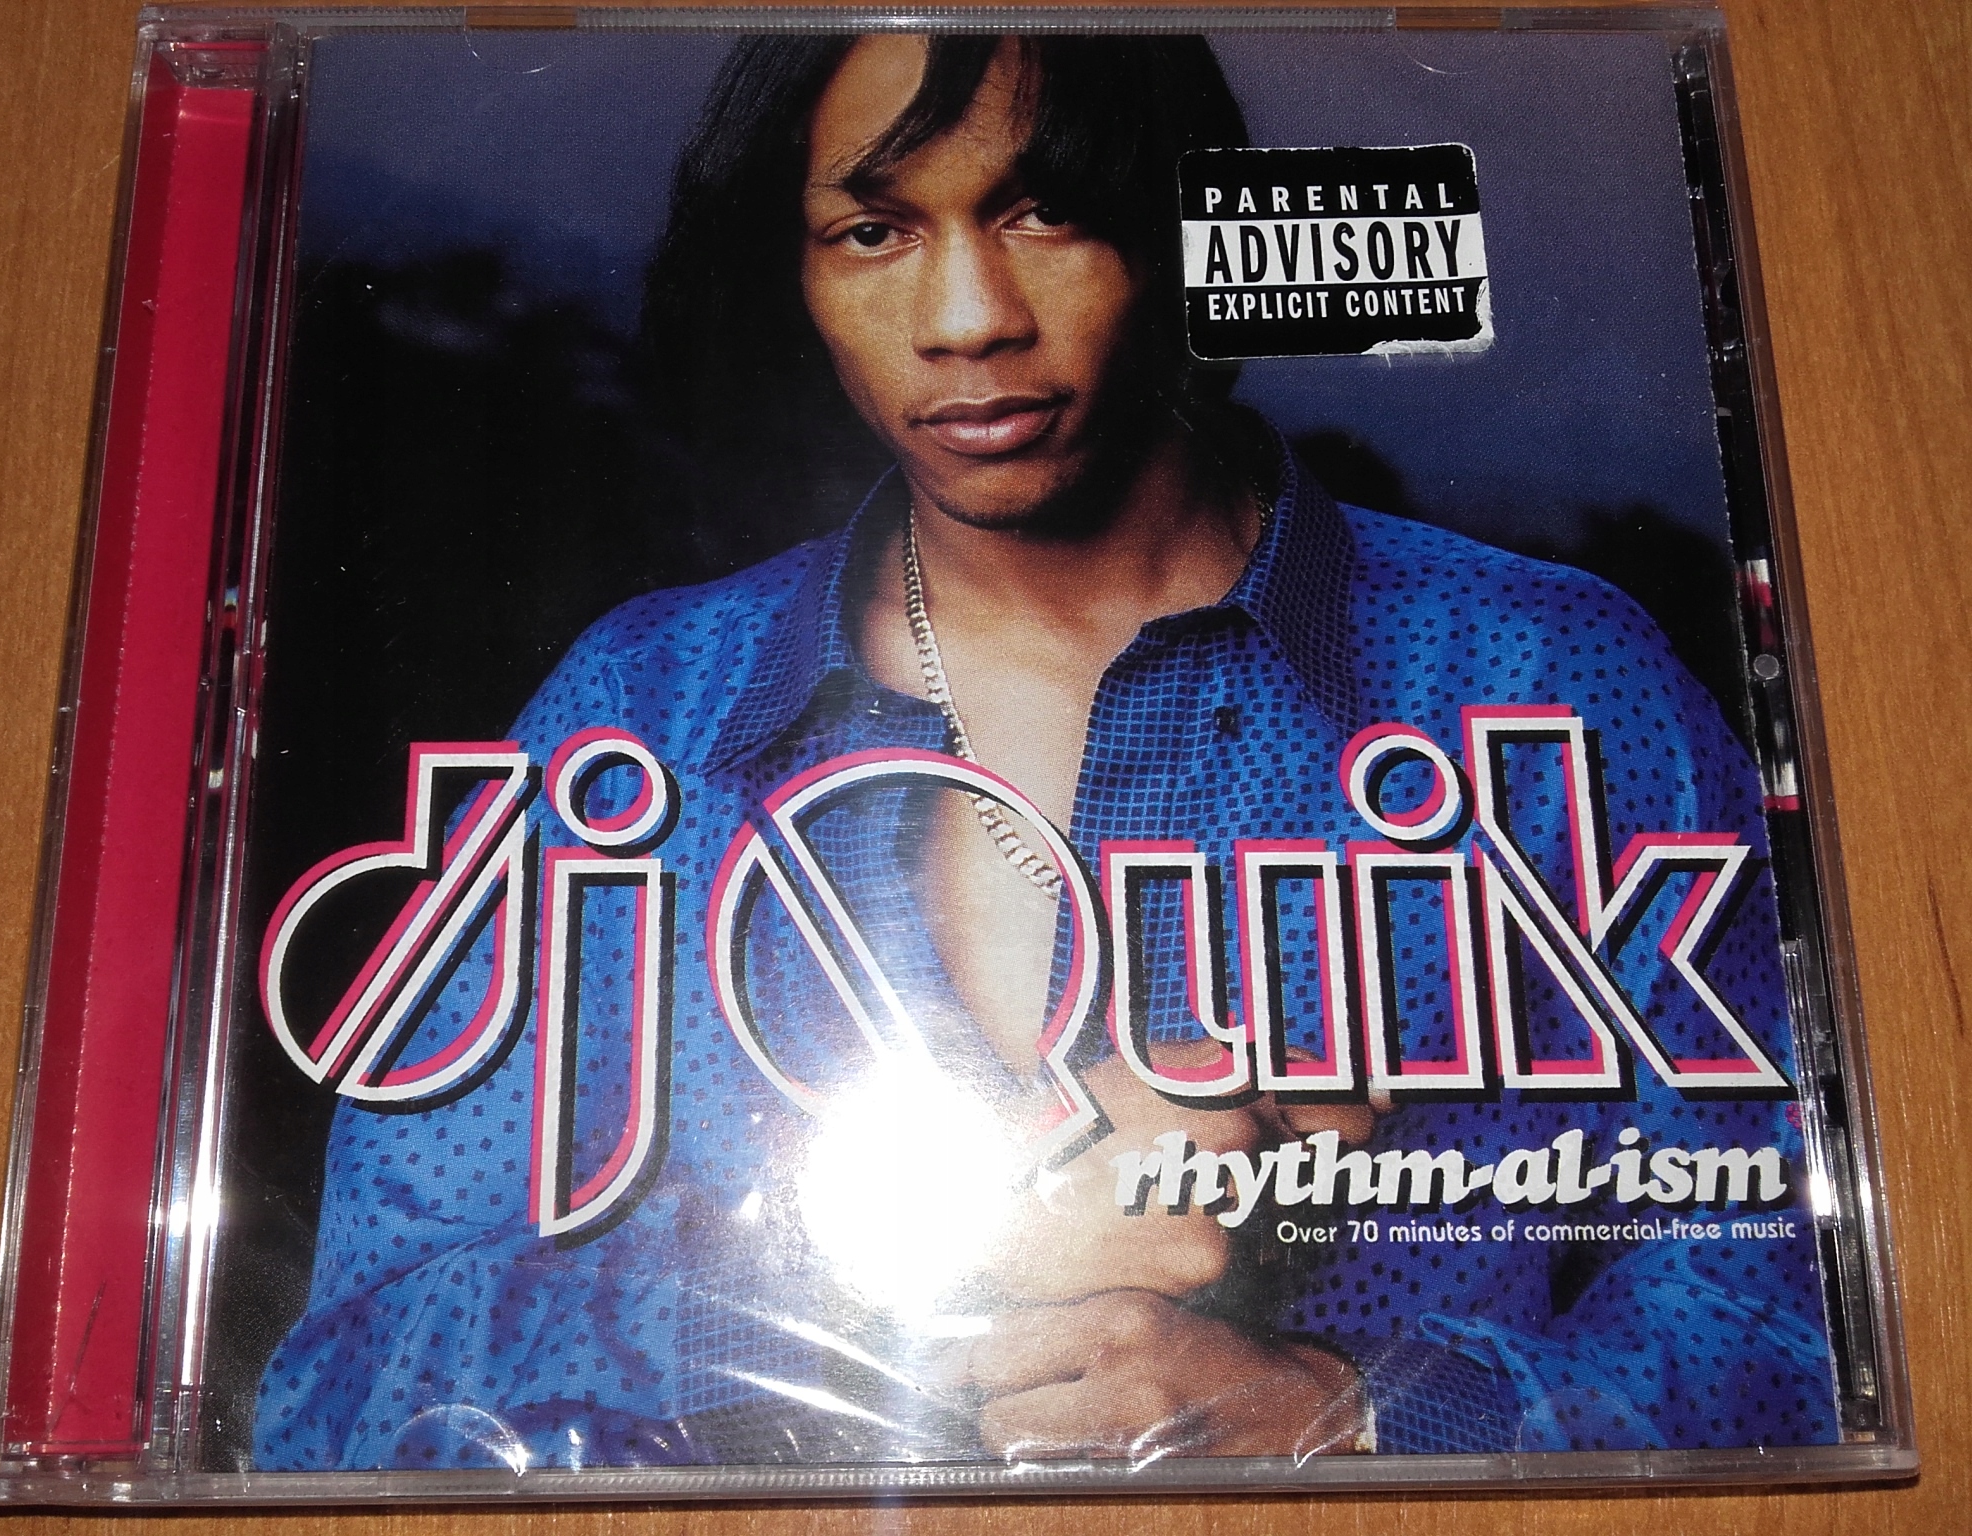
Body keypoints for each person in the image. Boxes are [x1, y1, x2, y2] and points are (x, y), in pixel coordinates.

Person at [254, 32, 1837, 1471]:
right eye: (873, 232)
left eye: (1045, 215)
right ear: (795, 269)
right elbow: (344, 1383)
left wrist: (1357, 1416)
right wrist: (873, 1269)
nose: (968, 321)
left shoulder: (1544, 680)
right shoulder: (643, 716)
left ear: (1182, 233)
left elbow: (1809, 1311)